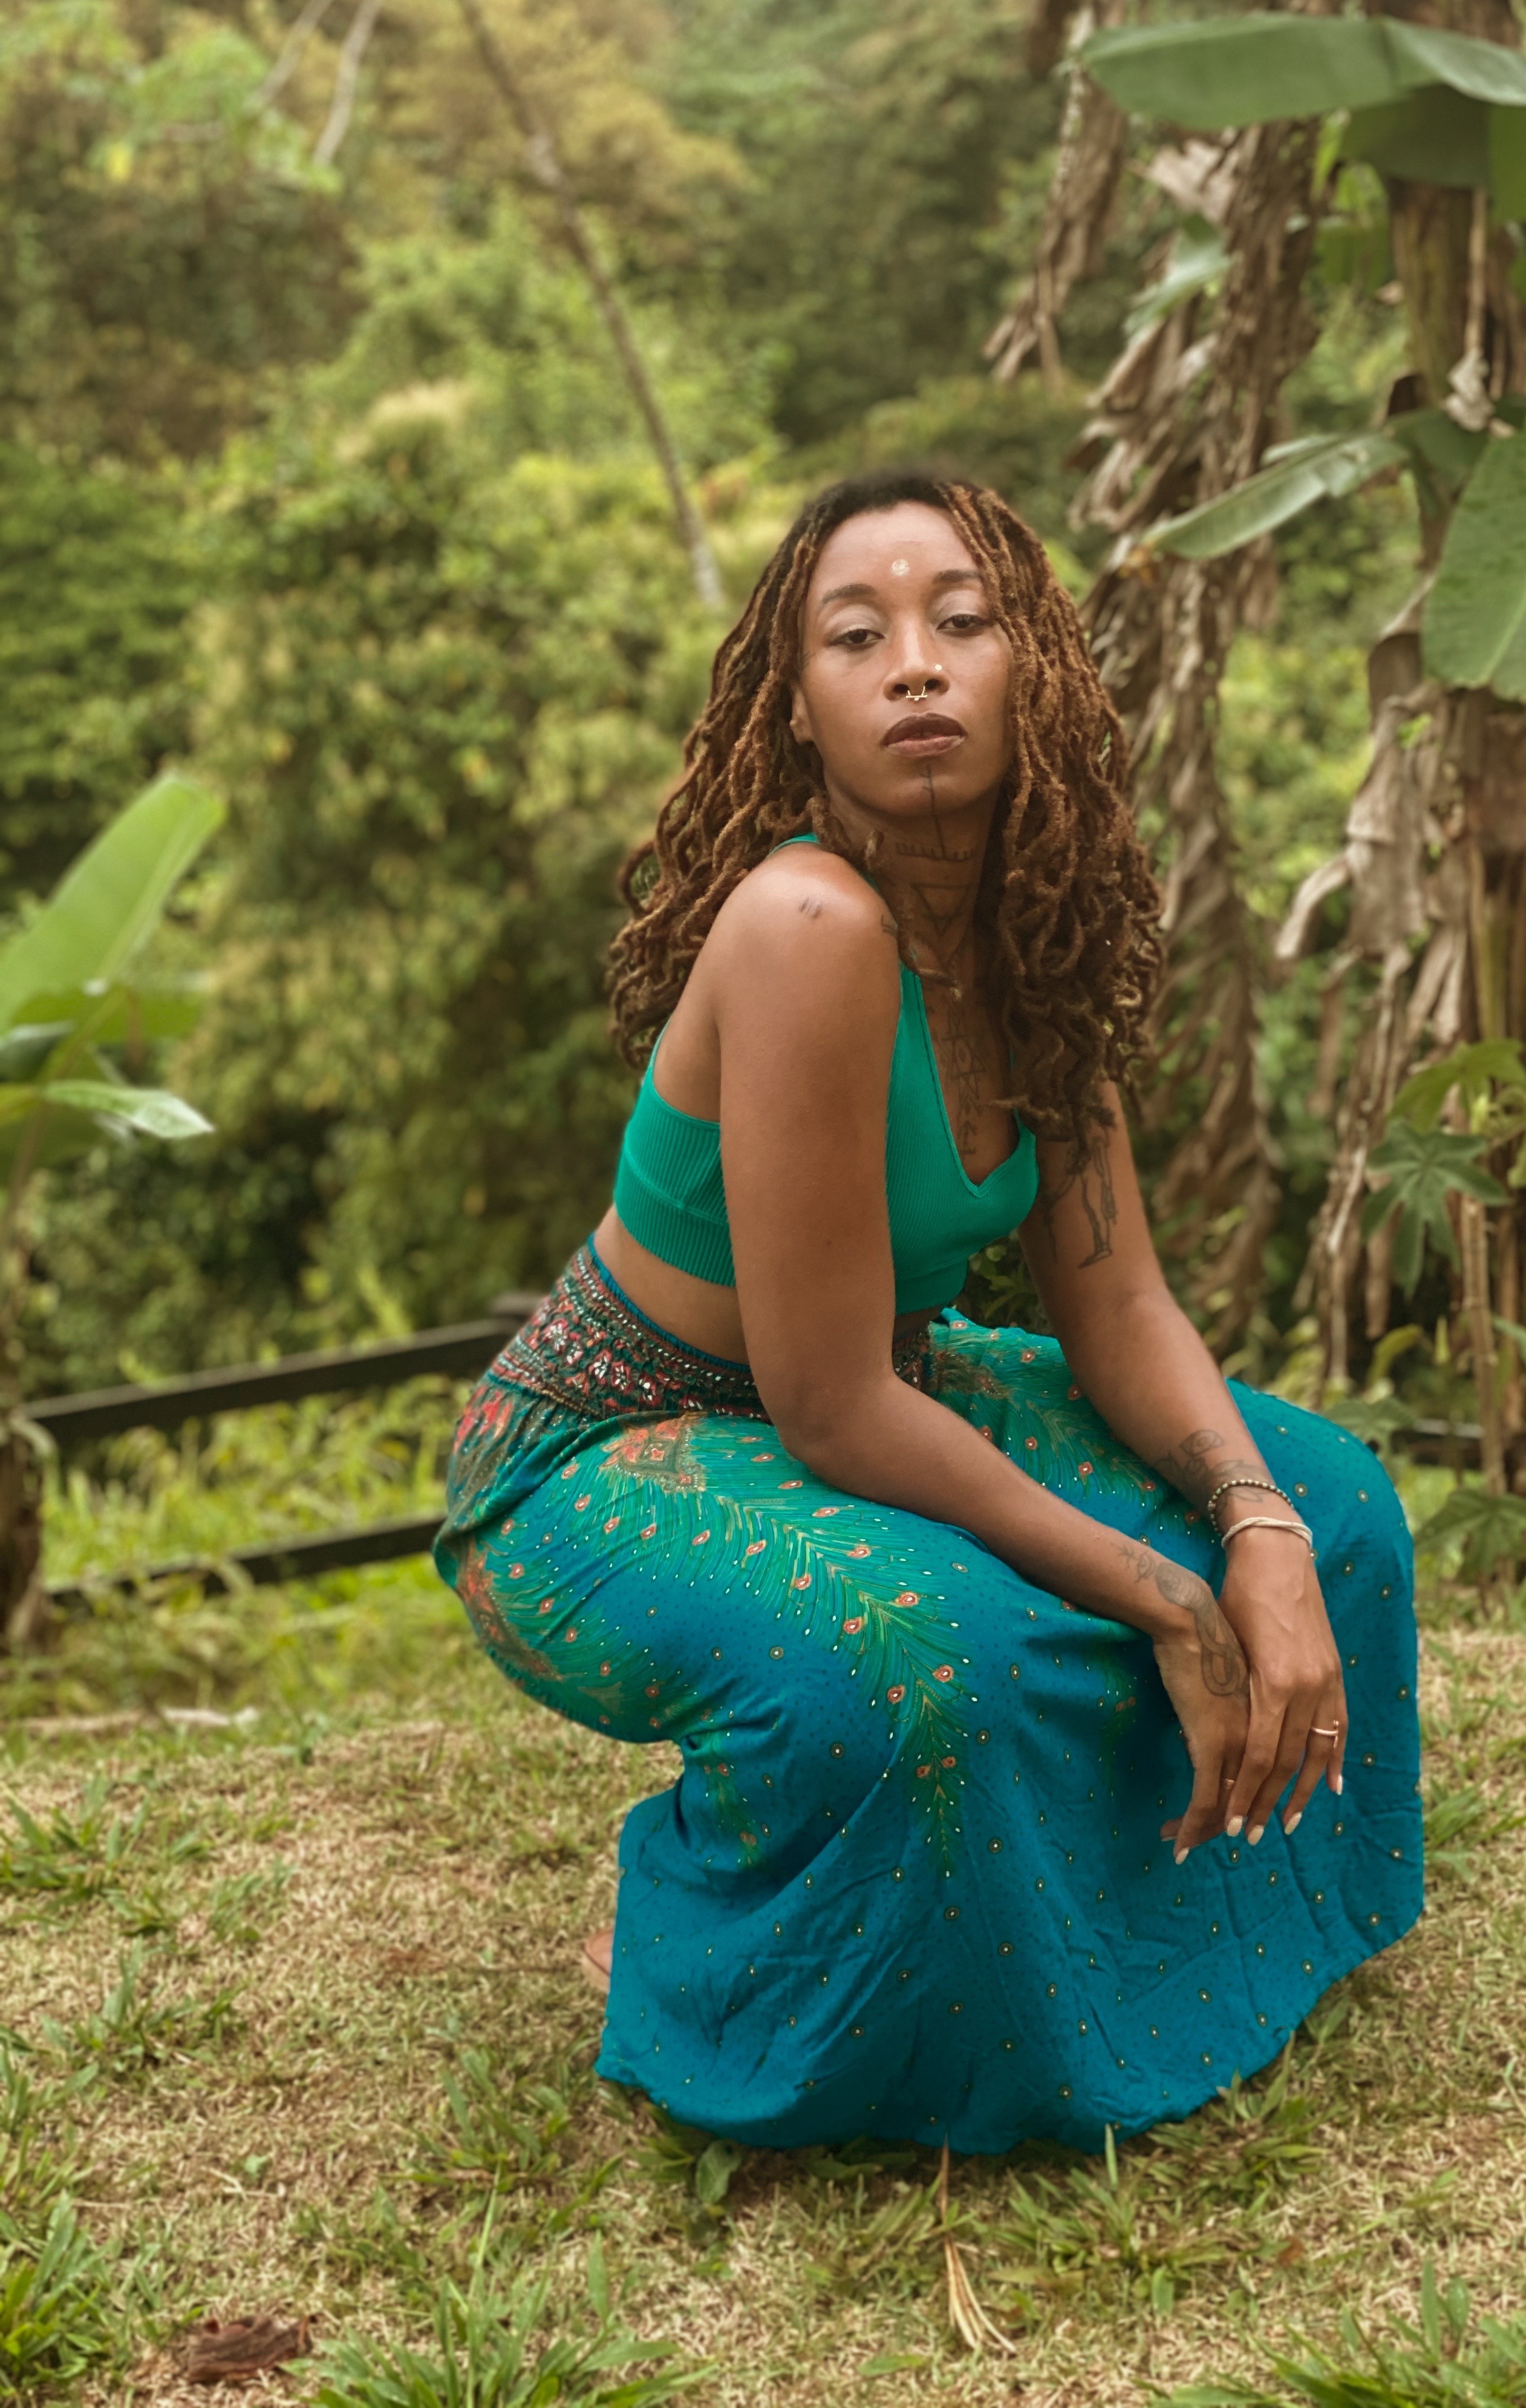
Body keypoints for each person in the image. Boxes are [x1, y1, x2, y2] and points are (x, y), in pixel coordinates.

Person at [434, 471, 1421, 2157]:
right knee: (934, 1657)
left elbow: (1114, 1298)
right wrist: (1154, 1586)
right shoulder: (807, 926)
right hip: (613, 1448)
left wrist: (1243, 1523)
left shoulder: (1036, 929)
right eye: (856, 633)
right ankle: (705, 1939)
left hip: (882, 1390)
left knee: (1334, 1508)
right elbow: (824, 1411)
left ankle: (1193, 1924)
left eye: (961, 621)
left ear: (1031, 664)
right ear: (795, 710)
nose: (915, 664)